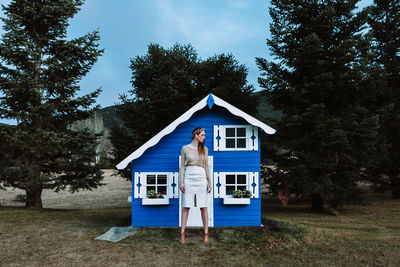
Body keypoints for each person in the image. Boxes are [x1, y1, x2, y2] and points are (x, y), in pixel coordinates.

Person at [179, 127, 211, 244]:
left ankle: (206, 234)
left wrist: (209, 182)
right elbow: (182, 166)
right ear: (195, 135)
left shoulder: (205, 149)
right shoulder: (185, 148)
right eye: (202, 135)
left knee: (203, 207)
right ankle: (182, 233)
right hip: (189, 177)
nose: (204, 137)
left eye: (204, 135)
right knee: (186, 206)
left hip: (201, 177)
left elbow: (207, 166)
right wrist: (181, 182)